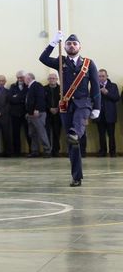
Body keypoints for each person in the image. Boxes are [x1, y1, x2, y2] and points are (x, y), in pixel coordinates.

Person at [39, 32, 100, 186]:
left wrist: (97, 107)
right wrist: (53, 43)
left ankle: (75, 132)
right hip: (66, 105)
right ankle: (76, 177)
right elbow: (43, 59)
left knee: (76, 129)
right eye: (68, 44)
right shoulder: (61, 61)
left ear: (80, 47)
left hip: (83, 103)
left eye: (74, 44)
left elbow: (96, 86)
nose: (72, 46)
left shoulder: (88, 63)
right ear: (65, 47)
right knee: (72, 143)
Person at [24, 73, 51, 158]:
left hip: (38, 113)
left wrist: (37, 109)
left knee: (41, 132)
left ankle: (47, 151)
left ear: (29, 78)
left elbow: (40, 98)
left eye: (25, 78)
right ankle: (34, 151)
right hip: (31, 114)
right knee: (32, 133)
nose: (24, 80)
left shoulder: (37, 85)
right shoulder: (30, 87)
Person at [95, 69, 119, 157]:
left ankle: (113, 152)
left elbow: (116, 98)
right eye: (99, 76)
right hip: (99, 114)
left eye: (102, 76)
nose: (101, 78)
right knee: (101, 135)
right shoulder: (95, 86)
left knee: (111, 135)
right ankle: (102, 151)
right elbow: (92, 99)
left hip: (110, 114)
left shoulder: (113, 86)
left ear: (107, 76)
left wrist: (107, 93)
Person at [8, 71, 29, 156]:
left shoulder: (28, 86)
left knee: (29, 133)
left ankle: (32, 150)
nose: (20, 79)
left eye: (21, 77)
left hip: (26, 113)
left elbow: (28, 97)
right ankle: (17, 152)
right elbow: (11, 99)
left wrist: (17, 97)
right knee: (15, 133)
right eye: (18, 78)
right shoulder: (13, 86)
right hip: (15, 114)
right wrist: (21, 98)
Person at [45, 72, 62, 157]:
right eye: (50, 78)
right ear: (48, 80)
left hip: (58, 114)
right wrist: (49, 108)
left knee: (56, 133)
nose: (52, 80)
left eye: (53, 78)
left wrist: (57, 109)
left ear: (57, 79)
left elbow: (63, 100)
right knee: (47, 133)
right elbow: (43, 101)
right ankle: (48, 151)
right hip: (47, 114)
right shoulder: (44, 89)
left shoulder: (61, 89)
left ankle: (56, 151)